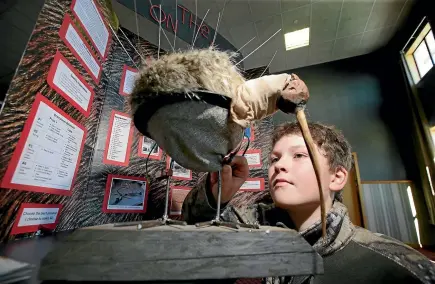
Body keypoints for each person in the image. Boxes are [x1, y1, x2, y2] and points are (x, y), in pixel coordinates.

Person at [182, 122, 435, 284]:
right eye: (275, 158)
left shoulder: (395, 264)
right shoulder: (250, 226)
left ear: (336, 177)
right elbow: (196, 233)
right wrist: (216, 195)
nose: (279, 165)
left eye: (299, 155)